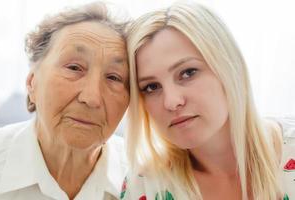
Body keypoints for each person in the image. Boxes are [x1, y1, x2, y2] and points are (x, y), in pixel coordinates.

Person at [120, 1, 295, 200]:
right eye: (151, 87)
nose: (171, 102)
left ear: (228, 67)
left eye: (187, 73)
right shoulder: (144, 186)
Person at [0, 2, 130, 200]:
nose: (91, 98)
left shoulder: (147, 182)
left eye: (114, 78)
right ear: (32, 83)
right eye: (74, 68)